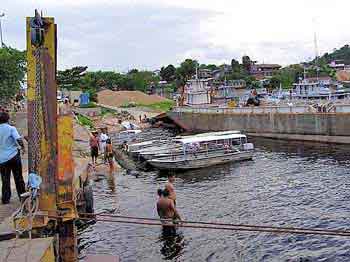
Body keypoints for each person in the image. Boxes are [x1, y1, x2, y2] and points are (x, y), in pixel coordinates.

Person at [0, 112, 26, 204]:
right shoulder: (11, 128)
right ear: (8, 119)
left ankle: (5, 199)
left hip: (2, 159)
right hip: (14, 156)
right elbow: (18, 139)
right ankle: (22, 196)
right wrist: (23, 148)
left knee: (5, 179)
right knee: (18, 177)